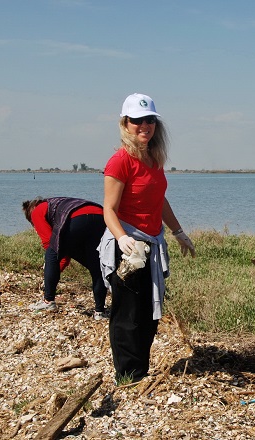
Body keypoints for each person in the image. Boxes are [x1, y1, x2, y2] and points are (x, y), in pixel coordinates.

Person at [98, 92, 196, 384]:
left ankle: (140, 370)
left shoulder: (154, 159)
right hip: (128, 247)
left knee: (150, 314)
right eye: (137, 120)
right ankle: (127, 376)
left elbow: (159, 200)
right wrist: (121, 238)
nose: (144, 126)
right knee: (128, 314)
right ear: (125, 123)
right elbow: (108, 209)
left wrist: (178, 232)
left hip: (151, 243)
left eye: (149, 120)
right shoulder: (120, 161)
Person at [21, 196, 108, 320]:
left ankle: (48, 302)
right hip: (101, 216)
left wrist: (49, 270)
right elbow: (65, 256)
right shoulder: (58, 203)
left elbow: (49, 244)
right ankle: (100, 312)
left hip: (77, 218)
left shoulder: (36, 211)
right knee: (97, 266)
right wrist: (53, 272)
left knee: (51, 252)